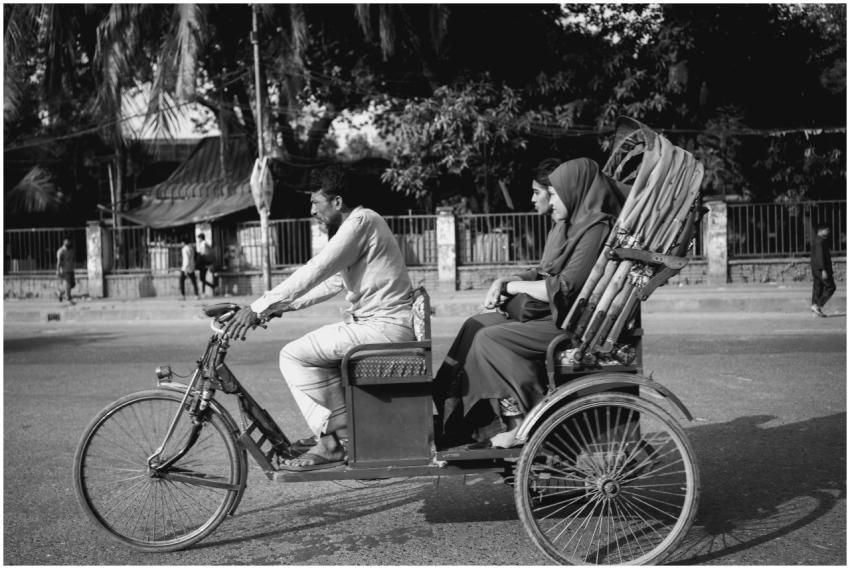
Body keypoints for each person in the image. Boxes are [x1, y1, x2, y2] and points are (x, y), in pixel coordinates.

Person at [223, 165, 415, 471]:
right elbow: (334, 282)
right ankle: (337, 430)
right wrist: (277, 307)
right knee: (310, 351)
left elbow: (317, 269)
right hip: (380, 324)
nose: (312, 210)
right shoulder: (363, 224)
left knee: (293, 355)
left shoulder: (361, 222)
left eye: (316, 203)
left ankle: (329, 442)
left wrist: (259, 306)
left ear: (337, 202)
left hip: (385, 327)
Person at [433, 158, 626, 449]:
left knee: (488, 340)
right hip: (555, 313)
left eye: (555, 192)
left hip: (572, 321)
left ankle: (523, 418)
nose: (550, 199)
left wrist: (513, 286)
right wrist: (507, 281)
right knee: (475, 324)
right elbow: (545, 269)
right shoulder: (567, 225)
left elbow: (564, 287)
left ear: (574, 191)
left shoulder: (595, 229)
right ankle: (457, 415)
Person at [810, 223, 836, 317]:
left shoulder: (817, 240)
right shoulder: (820, 242)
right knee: (831, 287)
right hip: (821, 269)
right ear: (820, 231)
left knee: (818, 287)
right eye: (826, 230)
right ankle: (817, 305)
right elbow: (820, 256)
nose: (828, 231)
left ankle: (815, 308)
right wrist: (823, 269)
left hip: (816, 269)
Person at [56, 238, 76, 305]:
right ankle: (68, 299)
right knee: (68, 285)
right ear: (64, 242)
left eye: (69, 241)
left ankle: (60, 292)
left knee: (72, 285)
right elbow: (58, 262)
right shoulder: (61, 251)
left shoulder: (71, 250)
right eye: (67, 241)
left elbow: (72, 260)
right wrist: (58, 270)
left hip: (71, 269)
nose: (68, 243)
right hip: (64, 270)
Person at [196, 233, 215, 297]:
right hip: (206, 263)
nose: (198, 240)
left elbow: (203, 254)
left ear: (201, 238)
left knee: (202, 278)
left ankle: (211, 287)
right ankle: (205, 291)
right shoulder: (206, 243)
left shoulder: (203, 244)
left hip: (203, 263)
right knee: (203, 278)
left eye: (199, 238)